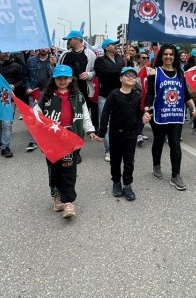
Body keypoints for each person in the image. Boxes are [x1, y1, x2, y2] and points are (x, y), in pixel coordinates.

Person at [37, 65, 97, 218]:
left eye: (66, 78)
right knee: (54, 169)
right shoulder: (46, 97)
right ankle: (56, 196)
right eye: (59, 78)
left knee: (69, 169)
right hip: (52, 139)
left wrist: (90, 130)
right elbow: (36, 116)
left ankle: (69, 201)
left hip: (71, 137)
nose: (62, 81)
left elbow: (85, 115)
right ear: (54, 79)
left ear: (71, 79)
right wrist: (39, 138)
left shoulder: (78, 96)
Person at [145, 44, 196, 191]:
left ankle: (175, 175)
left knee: (175, 144)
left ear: (175, 57)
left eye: (171, 54)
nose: (168, 57)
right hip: (159, 114)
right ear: (161, 56)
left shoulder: (180, 74)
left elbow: (185, 94)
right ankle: (156, 165)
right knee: (159, 142)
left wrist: (193, 108)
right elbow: (150, 93)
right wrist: (146, 110)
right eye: (165, 54)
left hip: (176, 115)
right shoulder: (155, 73)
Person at [98, 67, 144, 201]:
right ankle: (116, 182)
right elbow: (105, 114)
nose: (131, 77)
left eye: (133, 76)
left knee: (129, 161)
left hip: (131, 133)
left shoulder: (137, 95)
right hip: (115, 133)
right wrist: (101, 133)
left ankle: (128, 184)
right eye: (127, 75)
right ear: (121, 78)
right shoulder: (114, 94)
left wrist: (145, 116)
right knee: (116, 160)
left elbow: (139, 113)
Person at [94, 39, 126, 162]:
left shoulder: (120, 60)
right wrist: (120, 73)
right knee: (105, 124)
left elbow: (124, 75)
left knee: (119, 122)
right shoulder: (100, 61)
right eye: (113, 44)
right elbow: (104, 75)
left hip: (120, 95)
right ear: (106, 47)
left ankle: (118, 147)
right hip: (105, 96)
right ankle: (109, 150)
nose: (116, 46)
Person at [25, 48, 54, 152]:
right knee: (34, 117)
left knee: (49, 116)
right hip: (34, 92)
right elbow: (26, 76)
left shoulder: (53, 59)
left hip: (49, 92)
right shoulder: (31, 60)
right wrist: (28, 87)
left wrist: (53, 64)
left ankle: (48, 138)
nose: (43, 49)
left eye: (45, 47)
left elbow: (57, 77)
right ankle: (33, 140)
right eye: (41, 47)